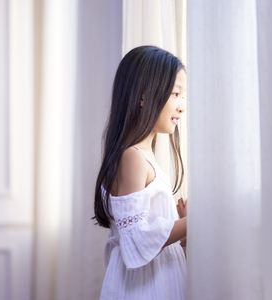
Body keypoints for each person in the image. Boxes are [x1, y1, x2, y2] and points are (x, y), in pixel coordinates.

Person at [94, 45, 188, 299]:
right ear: (144, 96)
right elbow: (135, 240)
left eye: (183, 96)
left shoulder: (142, 156)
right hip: (143, 289)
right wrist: (192, 223)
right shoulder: (132, 157)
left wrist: (184, 229)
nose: (181, 106)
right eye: (175, 94)